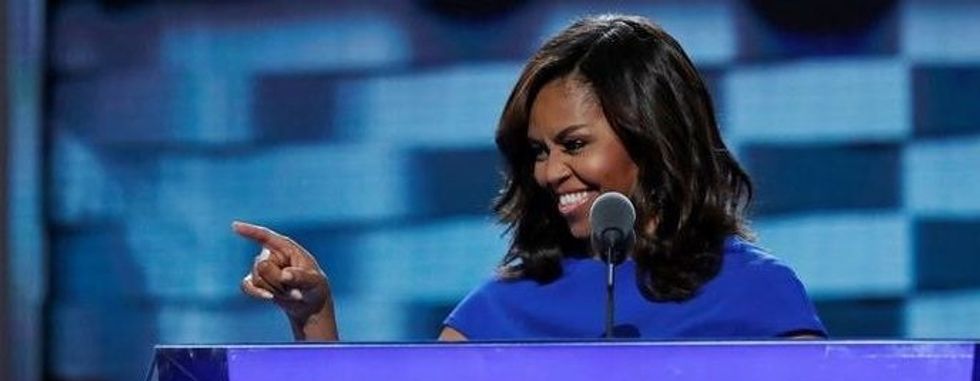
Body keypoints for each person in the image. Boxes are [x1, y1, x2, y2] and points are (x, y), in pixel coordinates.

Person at [235, 14, 826, 341]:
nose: (548, 172)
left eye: (574, 145)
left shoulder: (761, 297)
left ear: (656, 137)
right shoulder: (503, 310)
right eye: (538, 151)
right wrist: (314, 317)